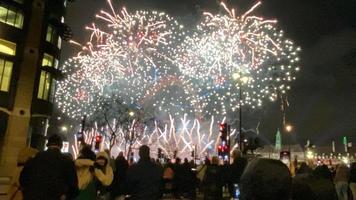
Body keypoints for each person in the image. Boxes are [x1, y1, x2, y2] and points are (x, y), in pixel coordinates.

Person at [20, 134, 79, 200]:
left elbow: (23, 177)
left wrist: (27, 192)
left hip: (33, 195)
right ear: (61, 146)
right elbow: (73, 185)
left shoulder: (36, 157)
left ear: (47, 145)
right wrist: (66, 196)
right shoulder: (67, 161)